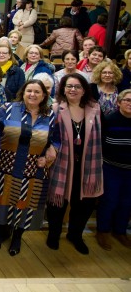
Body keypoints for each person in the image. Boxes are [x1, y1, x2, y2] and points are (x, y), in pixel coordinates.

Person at [0, 80, 57, 256]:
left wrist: (51, 150)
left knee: (25, 204)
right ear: (22, 93)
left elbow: (55, 138)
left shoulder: (50, 115)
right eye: (29, 91)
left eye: (37, 92)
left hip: (34, 168)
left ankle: (17, 236)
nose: (32, 94)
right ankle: (0, 234)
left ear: (44, 95)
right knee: (3, 200)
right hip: (6, 165)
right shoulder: (9, 108)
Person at [46, 73, 103, 255]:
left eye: (77, 86)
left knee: (84, 203)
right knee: (57, 203)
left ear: (84, 89)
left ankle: (75, 235)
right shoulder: (55, 109)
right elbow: (46, 136)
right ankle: (54, 234)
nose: (73, 90)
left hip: (88, 165)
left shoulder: (95, 109)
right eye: (69, 86)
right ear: (63, 89)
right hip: (62, 163)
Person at [97, 89, 131, 250]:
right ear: (118, 102)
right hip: (111, 167)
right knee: (109, 200)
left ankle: (120, 231)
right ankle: (103, 231)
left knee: (127, 202)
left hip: (130, 170)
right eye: (127, 100)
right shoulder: (110, 120)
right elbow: (101, 143)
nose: (130, 103)